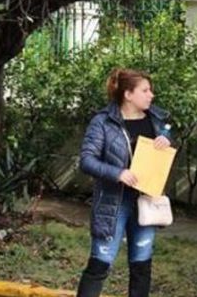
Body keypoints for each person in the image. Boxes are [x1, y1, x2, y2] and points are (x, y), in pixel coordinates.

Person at [76, 68, 173, 297]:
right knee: (100, 262)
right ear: (128, 94)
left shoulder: (157, 119)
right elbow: (86, 160)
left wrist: (165, 140)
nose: (151, 95)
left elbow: (167, 142)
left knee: (141, 264)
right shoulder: (103, 122)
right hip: (113, 202)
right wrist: (117, 173)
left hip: (146, 200)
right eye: (145, 90)